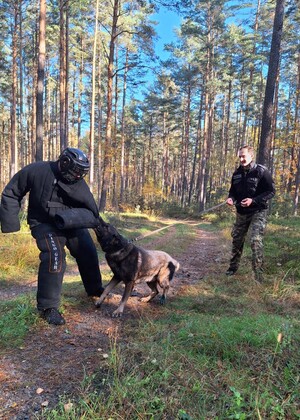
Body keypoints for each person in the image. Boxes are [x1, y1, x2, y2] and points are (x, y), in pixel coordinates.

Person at [0, 148, 104, 325]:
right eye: (75, 171)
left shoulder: (79, 183)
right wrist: (11, 223)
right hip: (43, 223)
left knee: (87, 250)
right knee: (54, 256)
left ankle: (95, 290)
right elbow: (11, 192)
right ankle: (48, 307)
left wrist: (103, 230)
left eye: (81, 172)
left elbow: (91, 210)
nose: (78, 176)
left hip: (71, 221)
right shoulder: (37, 170)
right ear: (65, 163)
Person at [226, 145, 275, 282]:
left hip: (258, 211)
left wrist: (253, 200)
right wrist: (231, 198)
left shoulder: (261, 171)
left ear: (251, 156)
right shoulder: (236, 174)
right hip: (241, 213)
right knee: (237, 240)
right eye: (240, 156)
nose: (241, 159)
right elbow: (232, 192)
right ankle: (232, 268)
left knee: (255, 240)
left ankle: (258, 274)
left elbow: (271, 191)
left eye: (244, 156)